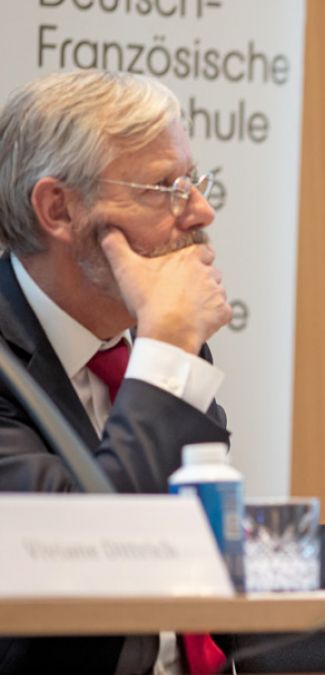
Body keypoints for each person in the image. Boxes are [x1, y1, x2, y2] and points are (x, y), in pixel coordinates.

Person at [0, 71, 232, 673]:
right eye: (163, 187)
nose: (200, 210)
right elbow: (90, 564)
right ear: (58, 209)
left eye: (193, 181)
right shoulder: (164, 348)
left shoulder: (154, 347)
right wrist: (168, 348)